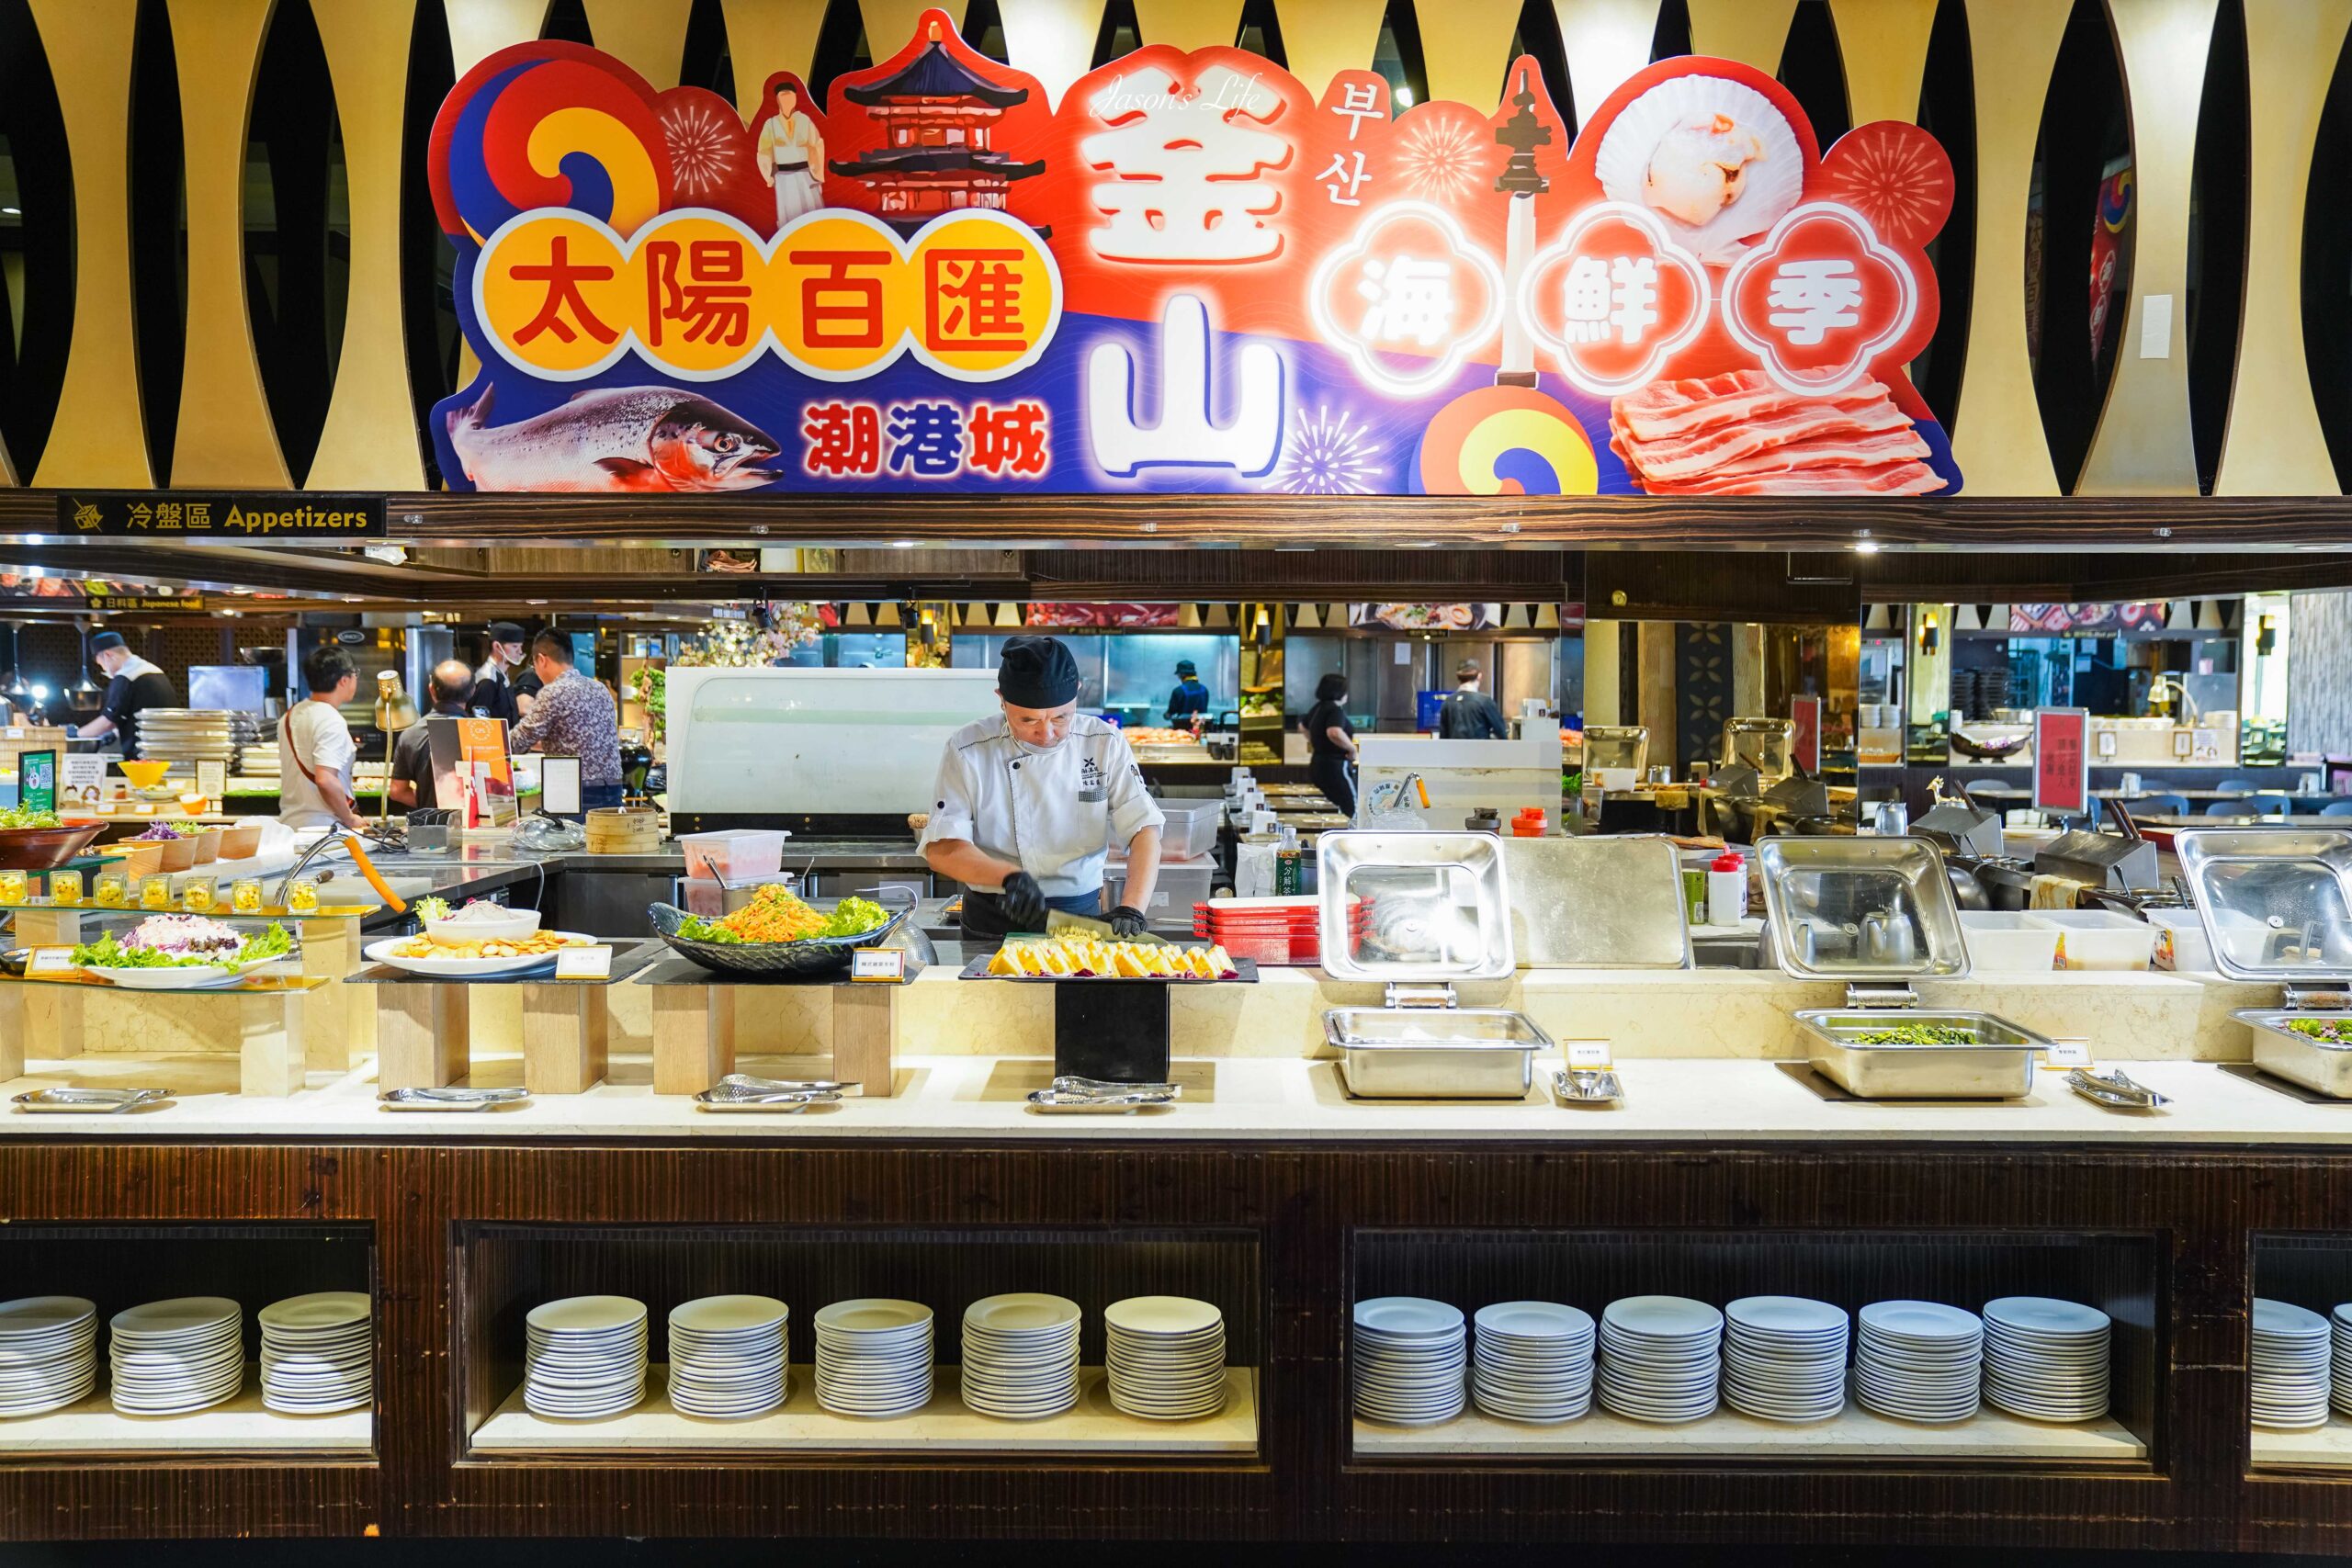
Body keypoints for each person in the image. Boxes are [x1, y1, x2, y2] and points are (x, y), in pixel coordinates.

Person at [921, 635, 1167, 946]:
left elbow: (1144, 829)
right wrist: (1008, 878)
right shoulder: (968, 748)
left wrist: (1132, 908)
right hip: (993, 917)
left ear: (1078, 692)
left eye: (1061, 717)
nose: (1047, 733)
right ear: (1001, 699)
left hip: (1079, 916)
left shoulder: (1104, 743)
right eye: (1028, 719)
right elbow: (942, 849)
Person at [508, 629, 625, 813]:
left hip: (575, 790)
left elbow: (519, 739)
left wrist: (489, 746)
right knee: (607, 840)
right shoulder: (600, 688)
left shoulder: (553, 692)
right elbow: (577, 738)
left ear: (542, 660)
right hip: (613, 787)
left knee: (571, 841)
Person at [279, 644, 368, 833]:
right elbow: (325, 780)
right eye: (355, 674)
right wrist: (349, 818)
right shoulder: (331, 720)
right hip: (323, 830)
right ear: (344, 680)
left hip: (291, 825)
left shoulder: (290, 715)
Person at [74, 631, 178, 760]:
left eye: (101, 664)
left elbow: (108, 722)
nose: (104, 670)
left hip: (143, 757)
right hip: (169, 750)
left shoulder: (127, 676)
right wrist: (114, 733)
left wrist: (76, 734)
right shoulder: (154, 670)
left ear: (108, 655)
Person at [388, 660, 473, 810]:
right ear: (473, 690)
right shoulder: (482, 733)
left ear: (431, 689)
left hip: (429, 828)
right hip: (477, 829)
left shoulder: (411, 735)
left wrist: (430, 803)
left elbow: (397, 791)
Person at [754, 72, 825, 228]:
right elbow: (764, 152)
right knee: (789, 217)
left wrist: (817, 175)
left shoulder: (805, 120)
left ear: (795, 98)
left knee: (813, 213)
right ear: (778, 100)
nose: (787, 100)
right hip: (784, 177)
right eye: (783, 97)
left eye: (790, 96)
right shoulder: (771, 124)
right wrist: (769, 177)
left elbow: (816, 146)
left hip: (806, 174)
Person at [1305, 672, 1359, 818]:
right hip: (1335, 766)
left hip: (1318, 763)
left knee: (1328, 810)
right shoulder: (1335, 710)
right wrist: (1352, 749)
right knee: (1351, 808)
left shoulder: (1317, 708)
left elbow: (1302, 725)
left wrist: (1316, 741)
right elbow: (1334, 732)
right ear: (1340, 692)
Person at [1437, 659, 1509, 740]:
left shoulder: (1447, 702)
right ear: (1479, 676)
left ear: (1458, 677)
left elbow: (1443, 738)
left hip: (1454, 752)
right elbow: (1501, 733)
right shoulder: (1485, 701)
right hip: (1480, 751)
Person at [472, 622, 526, 725]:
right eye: (515, 647)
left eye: (521, 647)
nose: (520, 652)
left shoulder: (502, 675)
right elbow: (479, 723)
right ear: (497, 646)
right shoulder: (487, 679)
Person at [1163, 659, 1210, 728]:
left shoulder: (1178, 691)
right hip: (1200, 729)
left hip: (1183, 731)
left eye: (1178, 675)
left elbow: (1170, 713)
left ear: (1182, 674)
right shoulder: (1204, 689)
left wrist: (1166, 715)